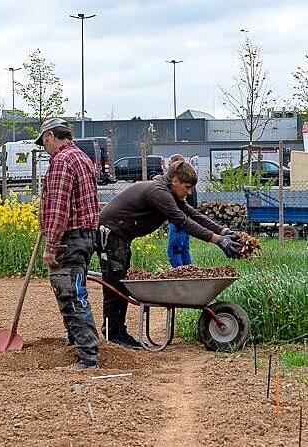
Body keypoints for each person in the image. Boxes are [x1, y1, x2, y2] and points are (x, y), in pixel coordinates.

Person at [98, 160, 243, 349]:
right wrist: (216, 240)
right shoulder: (158, 193)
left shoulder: (167, 191)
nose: (189, 192)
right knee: (114, 283)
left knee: (120, 282)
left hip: (120, 236)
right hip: (110, 233)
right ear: (175, 180)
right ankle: (114, 333)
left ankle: (117, 332)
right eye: (187, 187)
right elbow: (182, 221)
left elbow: (193, 214)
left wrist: (223, 232)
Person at [36, 118, 100, 370]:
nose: (44, 148)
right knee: (75, 289)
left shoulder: (61, 162)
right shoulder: (83, 158)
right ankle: (76, 343)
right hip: (85, 237)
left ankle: (87, 356)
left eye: (44, 142)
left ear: (51, 136)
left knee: (72, 295)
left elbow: (59, 208)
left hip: (69, 239)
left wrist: (50, 245)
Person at [166, 154, 193, 267]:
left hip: (177, 220)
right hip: (185, 219)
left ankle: (180, 272)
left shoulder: (177, 184)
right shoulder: (189, 180)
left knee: (175, 248)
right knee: (183, 247)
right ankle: (188, 270)